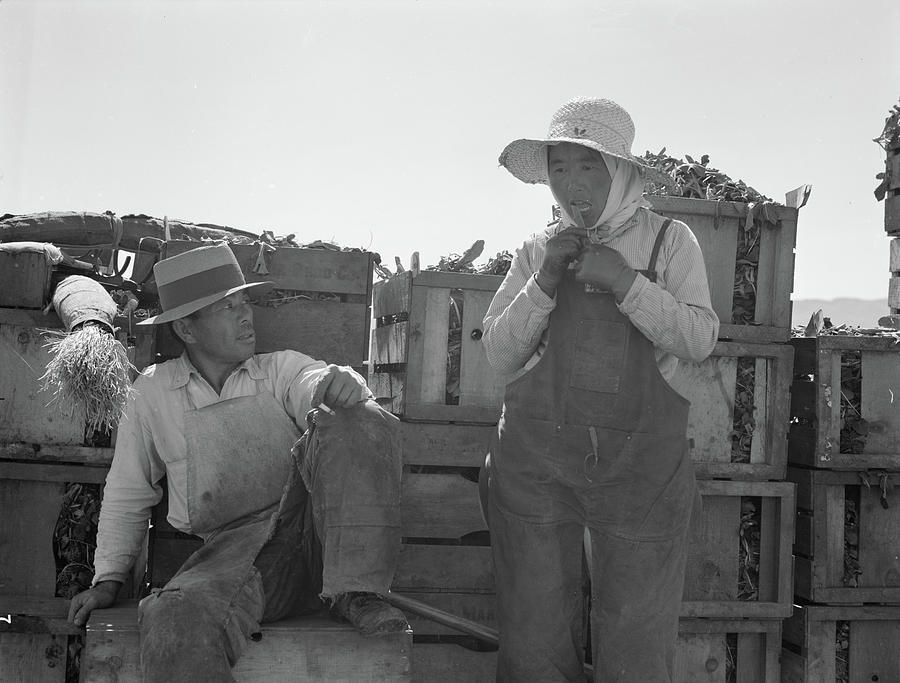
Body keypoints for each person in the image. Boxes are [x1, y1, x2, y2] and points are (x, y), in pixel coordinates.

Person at [67, 242, 407, 681]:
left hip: (318, 536)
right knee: (176, 619)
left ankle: (355, 591)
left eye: (244, 301)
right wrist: (108, 579)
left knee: (357, 416)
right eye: (228, 307)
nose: (246, 315)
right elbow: (129, 490)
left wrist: (339, 383)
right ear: (187, 329)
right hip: (233, 556)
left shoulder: (277, 369)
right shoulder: (153, 392)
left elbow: (312, 381)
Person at [479, 97, 719, 682]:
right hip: (537, 466)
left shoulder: (669, 243)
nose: (570, 183)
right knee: (533, 632)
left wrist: (623, 281)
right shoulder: (537, 249)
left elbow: (699, 338)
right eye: (559, 167)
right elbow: (499, 353)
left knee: (636, 635)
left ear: (623, 175)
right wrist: (544, 280)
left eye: (588, 166)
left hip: (641, 470)